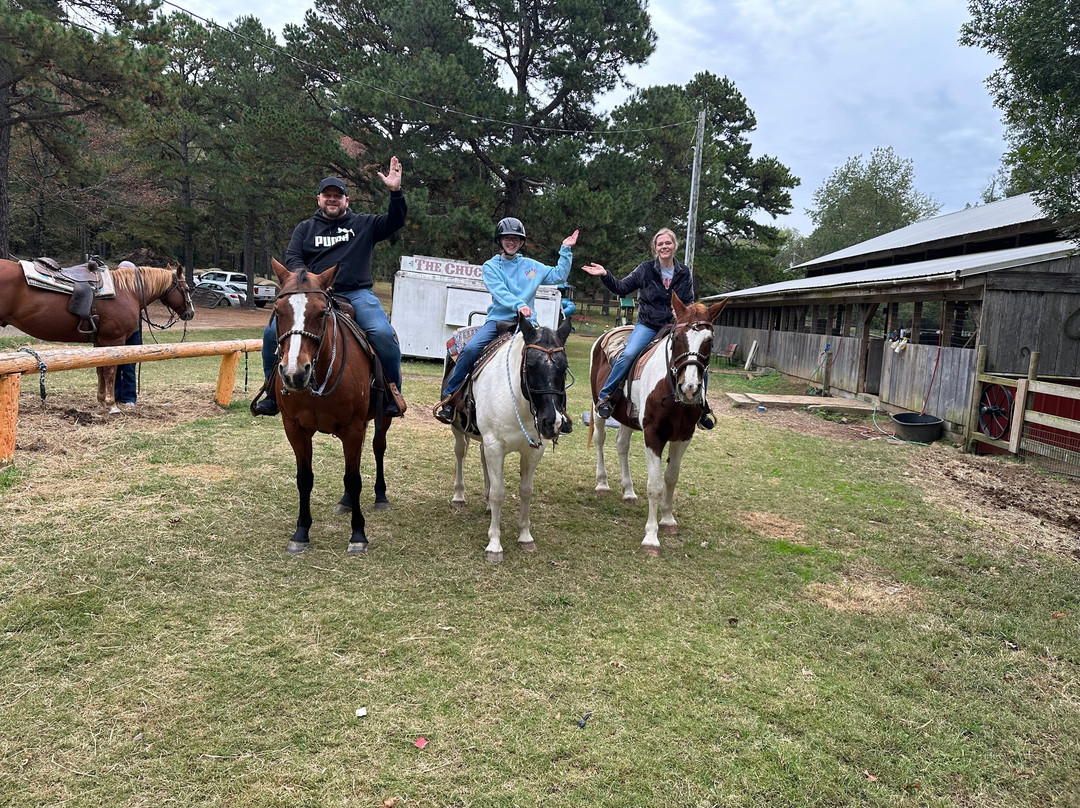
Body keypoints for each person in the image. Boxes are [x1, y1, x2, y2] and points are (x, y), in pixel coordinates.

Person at [254, 158, 407, 417]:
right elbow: (293, 261)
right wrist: (313, 286)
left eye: (338, 196)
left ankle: (393, 393)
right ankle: (272, 393)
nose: (333, 199)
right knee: (271, 334)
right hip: (313, 294)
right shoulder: (305, 228)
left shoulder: (364, 224)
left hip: (357, 293)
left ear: (347, 201)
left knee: (383, 335)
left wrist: (395, 192)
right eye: (328, 195)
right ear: (319, 199)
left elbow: (395, 221)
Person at [435, 217, 579, 424]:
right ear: (500, 241)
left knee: (553, 358)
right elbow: (499, 291)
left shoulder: (532, 266)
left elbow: (559, 275)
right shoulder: (491, 266)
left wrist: (565, 250)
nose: (511, 242)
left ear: (521, 242)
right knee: (471, 350)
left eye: (515, 239)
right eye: (506, 239)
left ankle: (560, 411)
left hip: (528, 325)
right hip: (498, 321)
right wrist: (519, 304)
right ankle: (450, 399)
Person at [582, 227, 714, 429]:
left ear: (674, 246)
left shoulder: (684, 272)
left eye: (668, 243)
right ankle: (607, 396)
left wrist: (681, 311)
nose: (664, 247)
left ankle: (702, 405)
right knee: (628, 355)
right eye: (660, 244)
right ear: (655, 248)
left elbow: (688, 301)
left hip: (673, 327)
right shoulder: (645, 269)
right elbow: (622, 287)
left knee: (696, 358)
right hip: (648, 325)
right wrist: (605, 274)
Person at [114, 260, 141, 409]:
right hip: (118, 331)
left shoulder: (135, 291)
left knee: (129, 364)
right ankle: (117, 394)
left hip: (133, 331)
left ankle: (129, 397)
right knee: (115, 363)